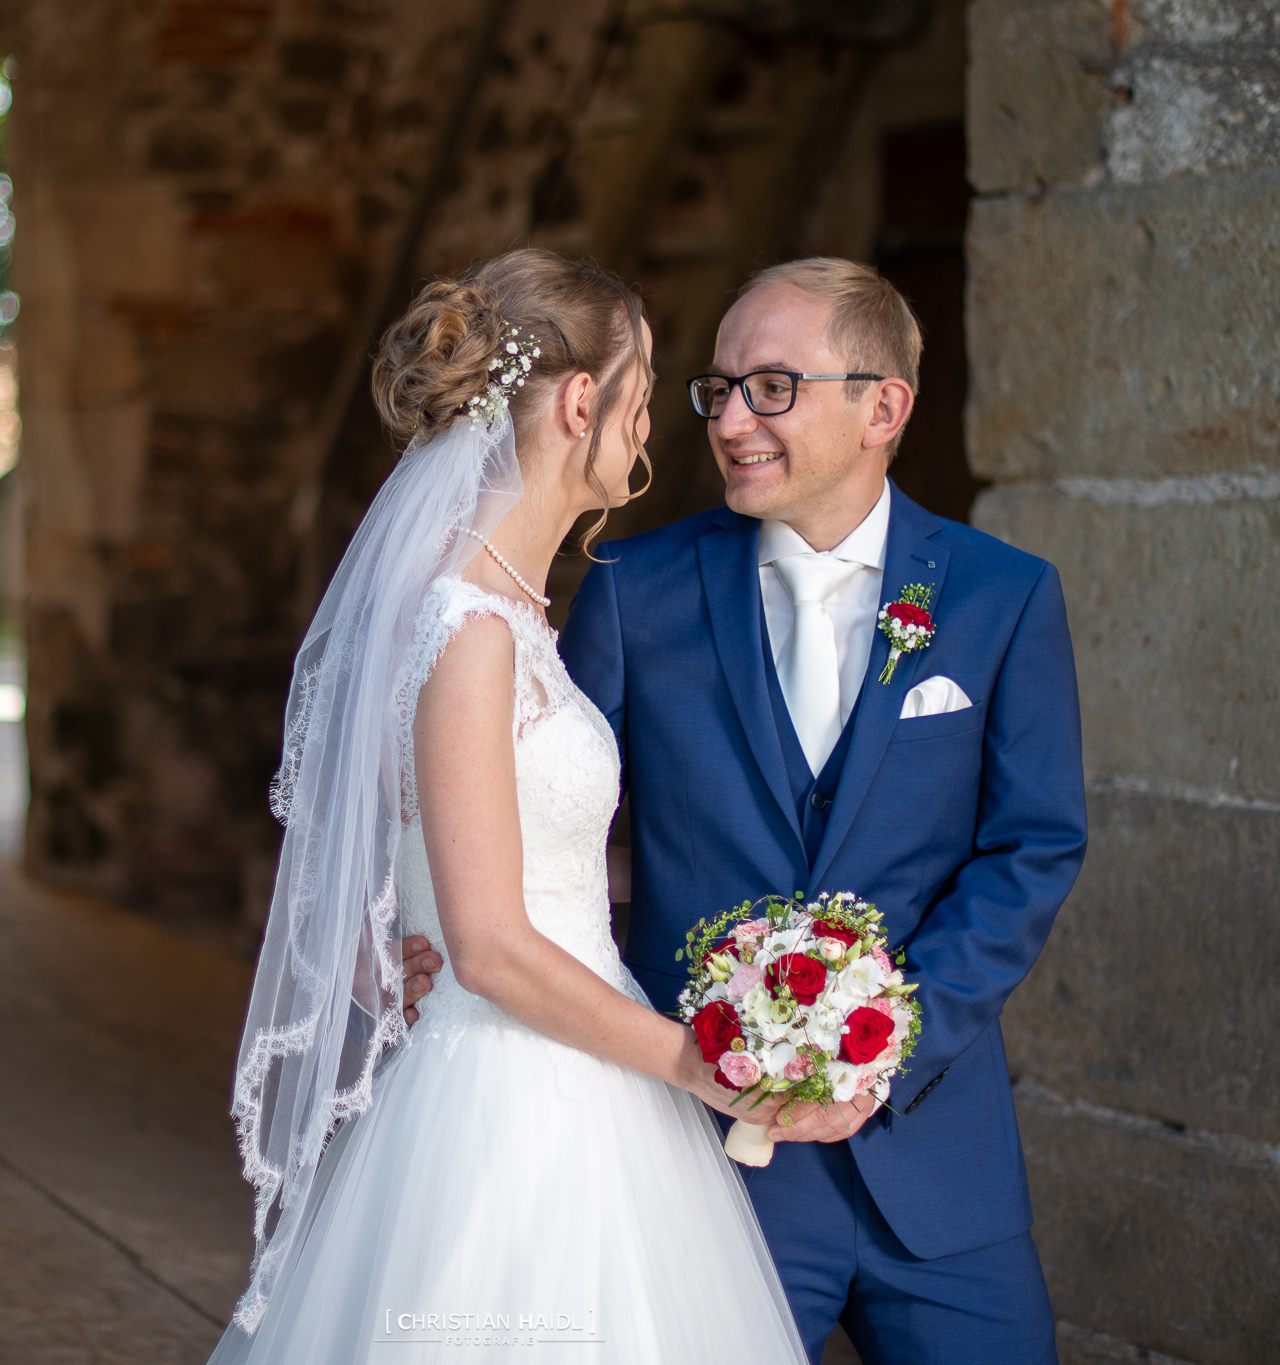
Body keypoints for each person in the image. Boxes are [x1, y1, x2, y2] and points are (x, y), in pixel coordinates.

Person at [209, 248, 807, 1364]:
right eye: (640, 395)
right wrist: (694, 1061)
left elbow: (386, 852)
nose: (647, 428)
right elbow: (484, 947)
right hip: (517, 1097)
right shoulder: (468, 630)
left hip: (564, 1063)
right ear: (581, 401)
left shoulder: (489, 614)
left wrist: (380, 949)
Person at [550, 256, 1091, 1362]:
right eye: (718, 390)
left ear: (881, 406)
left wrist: (887, 1043)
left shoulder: (1000, 594)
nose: (731, 420)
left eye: (772, 387)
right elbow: (560, 830)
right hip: (696, 1154)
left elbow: (1030, 847)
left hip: (934, 1164)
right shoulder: (630, 589)